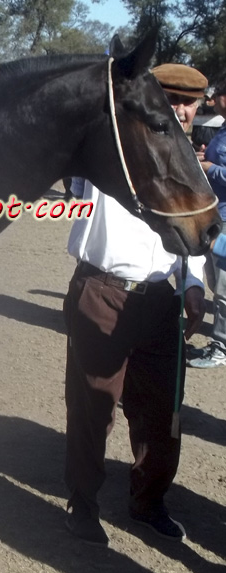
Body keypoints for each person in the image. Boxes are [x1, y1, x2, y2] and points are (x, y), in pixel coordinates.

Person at [64, 63, 210, 546]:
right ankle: (83, 504)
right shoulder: (112, 144)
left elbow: (192, 228)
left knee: (161, 413)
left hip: (162, 299)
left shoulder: (192, 162)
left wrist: (192, 283)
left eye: (190, 102)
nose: (182, 110)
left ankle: (148, 502)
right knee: (93, 408)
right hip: (104, 291)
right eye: (173, 99)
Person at [188, 78, 226, 368]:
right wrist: (204, 157)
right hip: (217, 212)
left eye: (220, 94)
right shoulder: (222, 128)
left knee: (224, 287)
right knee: (215, 282)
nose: (215, 98)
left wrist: (211, 168)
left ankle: (221, 347)